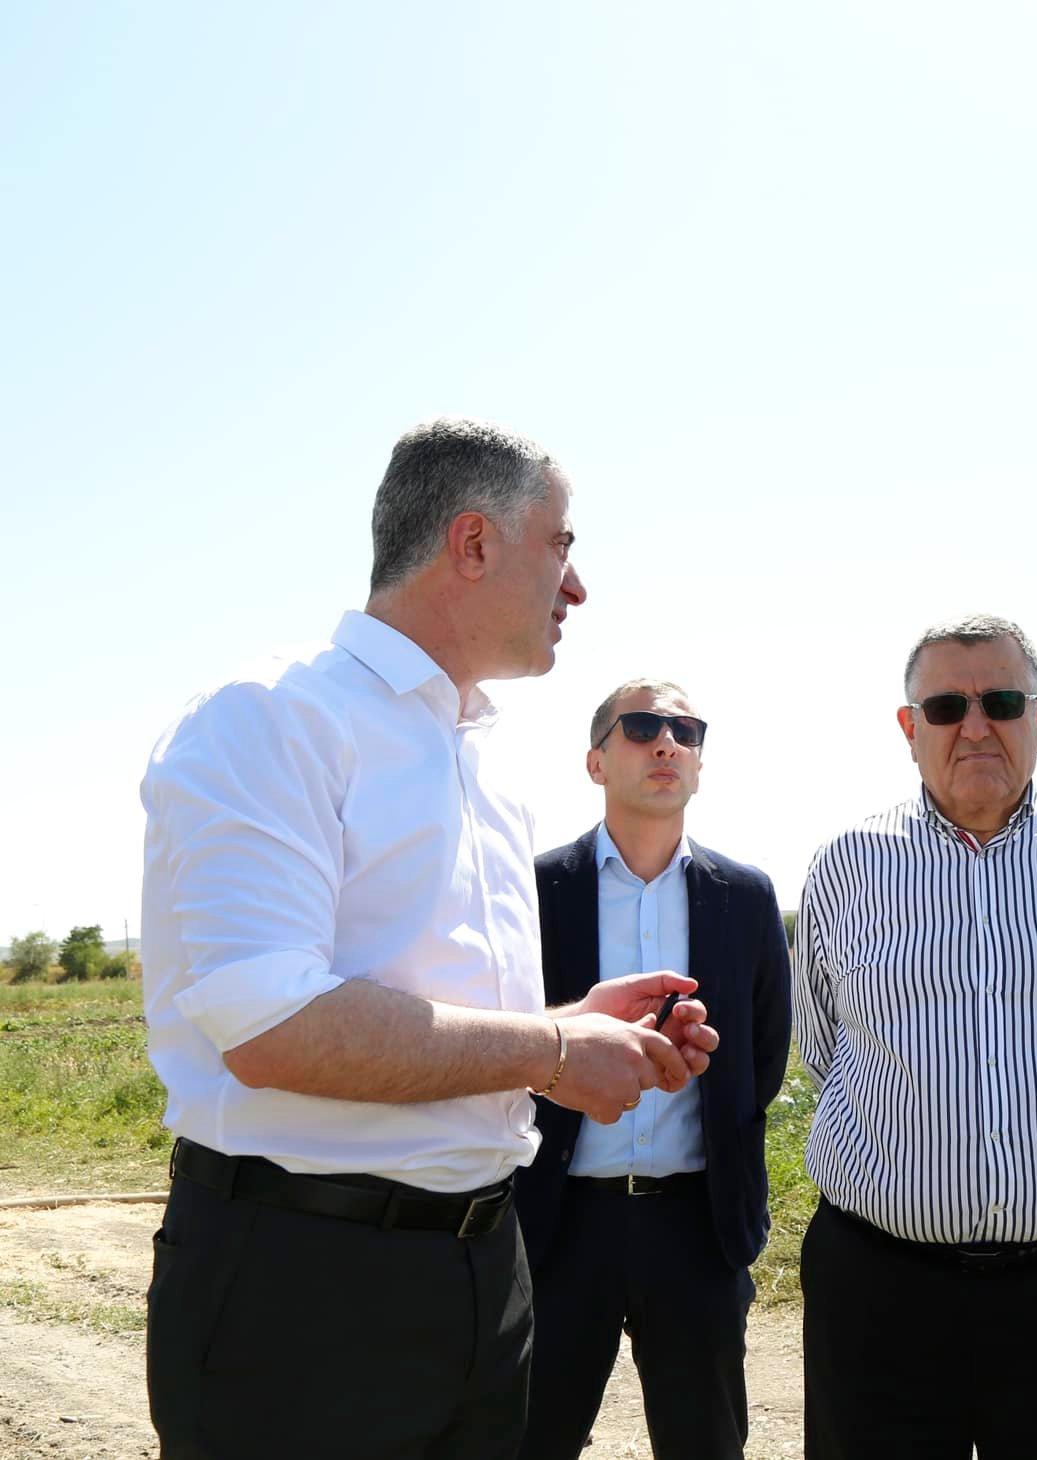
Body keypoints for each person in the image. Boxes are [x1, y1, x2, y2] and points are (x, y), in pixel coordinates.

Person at [139, 418, 718, 1460]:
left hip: (486, 1266)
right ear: (474, 541)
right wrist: (552, 1050)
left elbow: (418, 999)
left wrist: (572, 1026)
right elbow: (273, 1025)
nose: (577, 584)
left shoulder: (481, 752)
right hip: (301, 1287)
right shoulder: (272, 716)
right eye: (560, 544)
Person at [792, 612, 1037, 1459]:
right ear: (909, 728)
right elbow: (824, 1046)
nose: (974, 727)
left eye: (1001, 702)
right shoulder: (845, 866)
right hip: (881, 1290)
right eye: (944, 708)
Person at [513, 678, 792, 1460]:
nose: (666, 742)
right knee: (529, 1441)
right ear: (596, 762)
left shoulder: (745, 896)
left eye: (685, 731)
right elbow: (509, 1039)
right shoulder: (536, 889)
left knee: (706, 1444)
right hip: (559, 1222)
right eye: (640, 727)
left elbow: (762, 1059)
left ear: (698, 763)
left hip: (696, 1227)